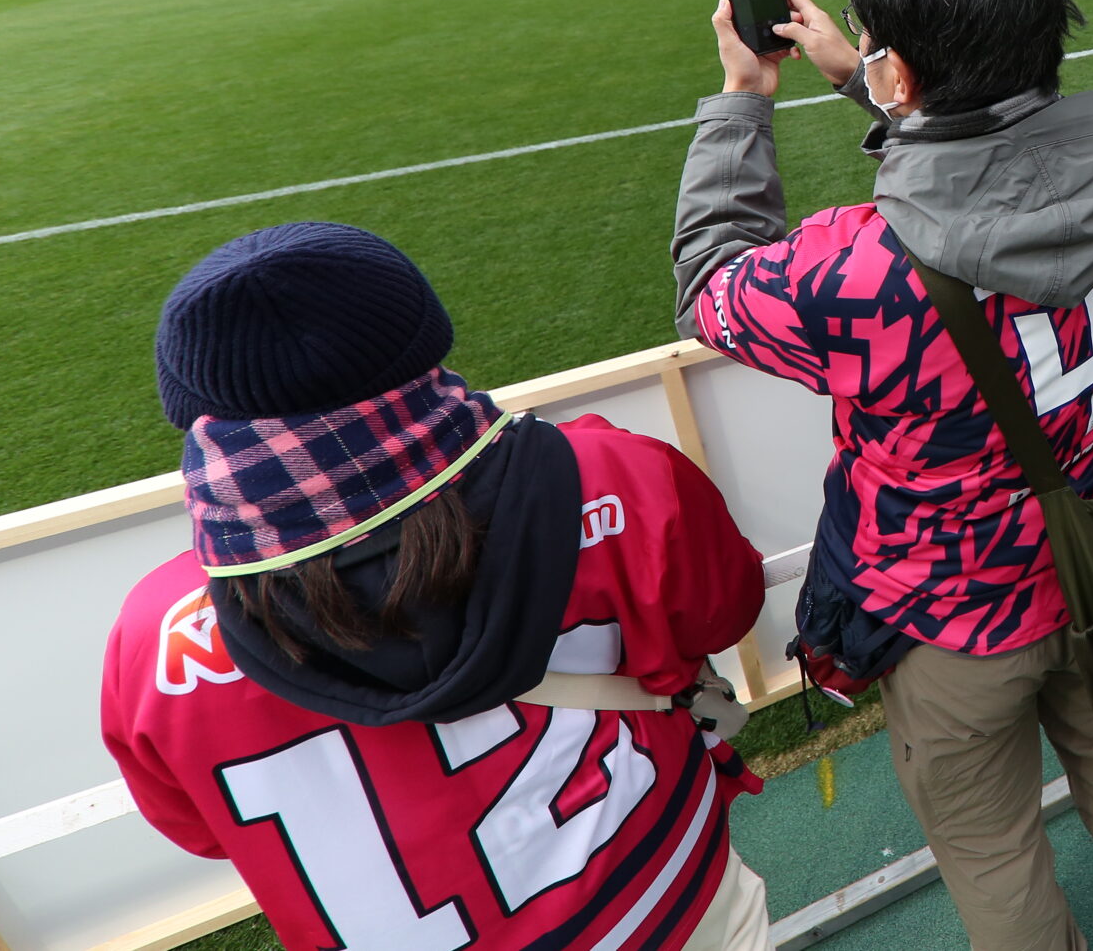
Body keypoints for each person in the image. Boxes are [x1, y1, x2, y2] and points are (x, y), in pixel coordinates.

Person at [671, 0, 1093, 951]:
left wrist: (744, 98)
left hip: (954, 612)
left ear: (905, 73)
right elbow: (996, 180)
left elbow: (710, 279)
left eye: (875, 46)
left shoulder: (850, 267)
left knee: (991, 847)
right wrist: (859, 77)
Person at [101, 223, 774, 950]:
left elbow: (202, 831)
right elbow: (724, 608)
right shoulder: (611, 474)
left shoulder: (149, 637)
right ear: (415, 337)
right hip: (661, 905)